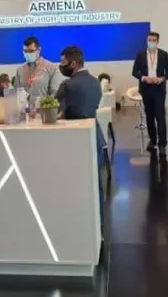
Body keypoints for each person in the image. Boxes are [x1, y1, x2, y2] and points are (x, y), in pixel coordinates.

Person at [55, 46, 106, 224]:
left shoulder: (67, 86)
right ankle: (99, 225)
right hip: (95, 137)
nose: (61, 66)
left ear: (73, 64)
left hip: (73, 141)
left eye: (62, 62)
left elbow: (56, 113)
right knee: (95, 185)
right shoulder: (95, 82)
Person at [131, 32, 168, 156]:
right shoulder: (140, 55)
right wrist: (144, 78)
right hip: (146, 88)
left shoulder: (164, 54)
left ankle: (162, 144)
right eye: (149, 40)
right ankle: (153, 140)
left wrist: (161, 79)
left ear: (157, 42)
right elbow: (134, 72)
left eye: (154, 40)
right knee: (149, 116)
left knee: (160, 115)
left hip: (159, 89)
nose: (151, 42)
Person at [13, 36, 62, 107]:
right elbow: (16, 93)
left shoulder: (51, 68)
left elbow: (54, 94)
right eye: (25, 51)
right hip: (24, 111)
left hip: (43, 110)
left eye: (31, 51)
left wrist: (46, 107)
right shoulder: (20, 70)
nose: (28, 54)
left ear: (39, 50)